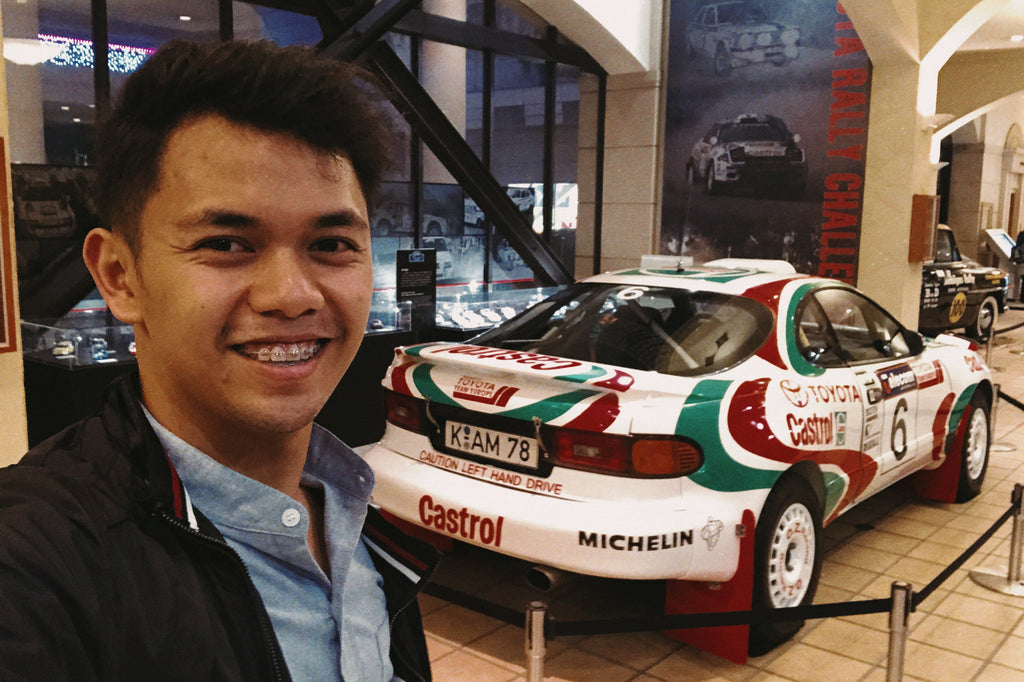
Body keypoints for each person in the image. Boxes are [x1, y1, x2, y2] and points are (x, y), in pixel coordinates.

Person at [0, 40, 439, 682]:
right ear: (119, 276)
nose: (291, 295)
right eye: (227, 244)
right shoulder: (34, 567)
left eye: (331, 243)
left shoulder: (355, 513)